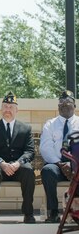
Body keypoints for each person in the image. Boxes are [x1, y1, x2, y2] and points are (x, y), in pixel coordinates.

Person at [0, 92, 35, 224]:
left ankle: (28, 213)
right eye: (5, 106)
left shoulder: (25, 128)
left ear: (16, 110)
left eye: (11, 107)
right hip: (0, 168)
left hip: (19, 167)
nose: (8, 109)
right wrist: (2, 163)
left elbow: (30, 151)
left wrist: (18, 163)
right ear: (1, 109)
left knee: (29, 170)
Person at [40, 89, 79, 224]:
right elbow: (45, 147)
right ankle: (53, 213)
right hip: (57, 166)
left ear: (74, 106)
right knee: (47, 171)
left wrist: (73, 164)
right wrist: (60, 164)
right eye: (61, 102)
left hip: (77, 167)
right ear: (58, 106)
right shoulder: (50, 124)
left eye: (68, 101)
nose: (64, 104)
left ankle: (76, 212)